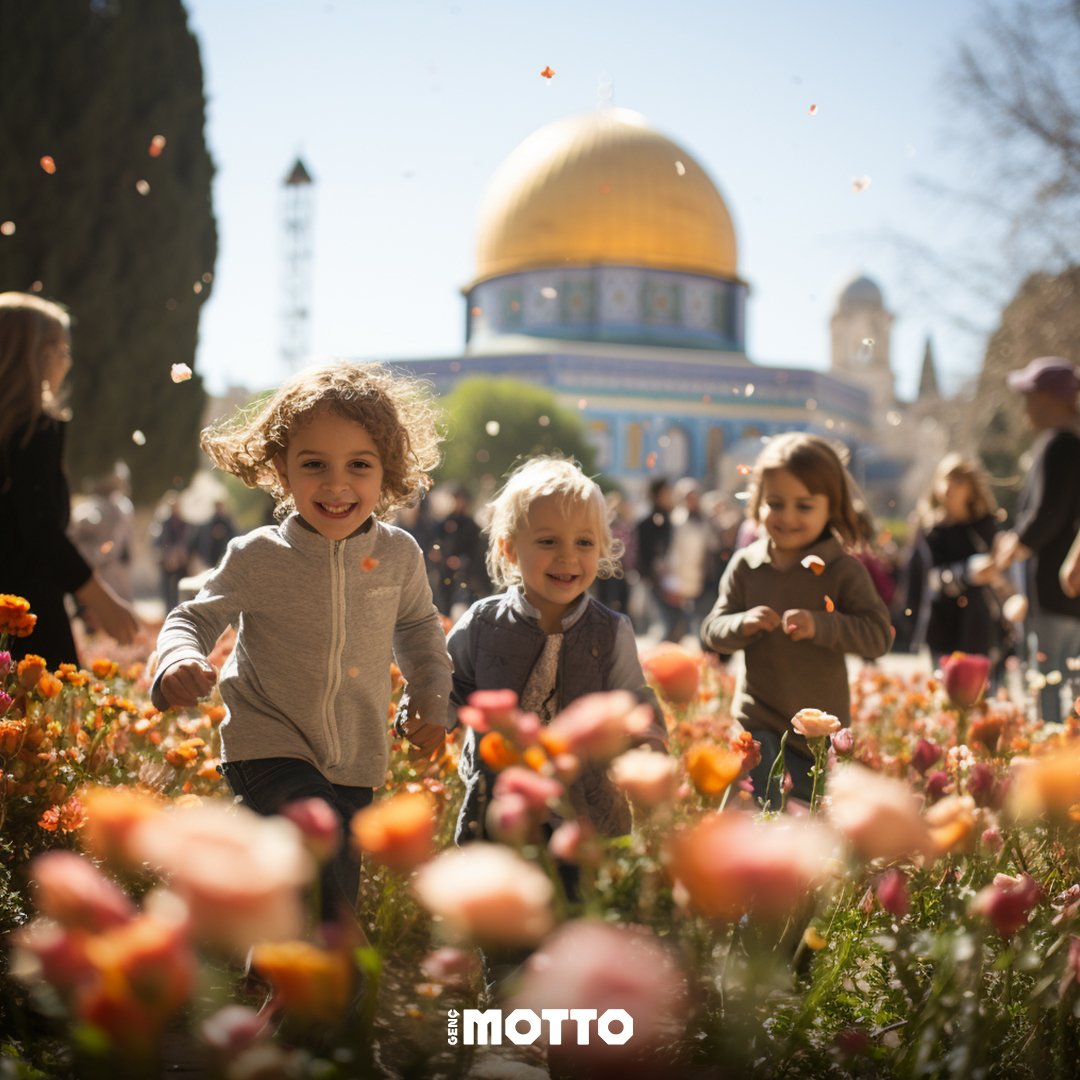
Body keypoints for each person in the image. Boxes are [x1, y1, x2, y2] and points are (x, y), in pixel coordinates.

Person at [150, 361, 453, 922]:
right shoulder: (258, 555)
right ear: (282, 471)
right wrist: (179, 659)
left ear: (387, 473)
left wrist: (432, 697)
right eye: (314, 465)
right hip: (266, 744)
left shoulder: (399, 554)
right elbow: (192, 618)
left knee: (318, 893)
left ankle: (277, 983)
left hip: (357, 758)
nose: (337, 486)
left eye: (359, 466)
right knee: (325, 848)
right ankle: (338, 989)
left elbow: (417, 628)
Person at [434, 455, 667, 846]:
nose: (568, 556)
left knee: (576, 899)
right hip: (497, 803)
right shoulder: (483, 623)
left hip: (586, 812)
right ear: (509, 548)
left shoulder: (611, 631)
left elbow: (633, 702)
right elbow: (448, 684)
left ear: (604, 549)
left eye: (584, 542)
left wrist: (648, 745)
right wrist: (427, 717)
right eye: (547, 541)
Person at [700, 433, 892, 807]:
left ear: (831, 509)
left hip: (819, 734)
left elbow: (878, 636)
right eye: (775, 503)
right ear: (757, 503)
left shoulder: (841, 570)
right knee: (757, 814)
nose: (787, 516)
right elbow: (712, 631)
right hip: (756, 721)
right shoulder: (747, 564)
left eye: (804, 506)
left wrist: (822, 625)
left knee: (807, 831)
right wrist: (741, 624)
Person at [0, 292, 139, 664]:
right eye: (61, 349)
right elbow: (40, 529)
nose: (68, 360)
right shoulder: (33, 429)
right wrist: (99, 598)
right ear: (35, 356)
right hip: (23, 618)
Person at [994, 356, 1080, 724]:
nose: (1025, 406)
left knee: (1050, 681)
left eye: (1030, 396)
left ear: (1049, 398)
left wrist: (1013, 547)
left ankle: (1056, 766)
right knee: (1070, 681)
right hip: (1067, 591)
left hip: (1054, 590)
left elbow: (1048, 513)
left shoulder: (1059, 444)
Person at [900, 454, 1009, 671]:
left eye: (958, 482)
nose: (950, 487)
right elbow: (930, 578)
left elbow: (1001, 570)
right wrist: (969, 572)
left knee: (977, 693)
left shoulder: (984, 526)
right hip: (941, 620)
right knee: (943, 690)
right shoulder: (931, 529)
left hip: (977, 623)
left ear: (971, 489)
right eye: (945, 480)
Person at [70, 462, 137, 604]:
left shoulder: (122, 506)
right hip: (97, 575)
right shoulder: (89, 508)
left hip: (115, 575)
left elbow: (125, 544)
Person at [152, 495, 195, 615]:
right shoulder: (163, 524)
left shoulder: (185, 523)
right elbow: (159, 542)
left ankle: (182, 612)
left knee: (182, 588)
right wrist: (168, 554)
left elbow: (190, 542)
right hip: (167, 561)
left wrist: (182, 553)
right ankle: (168, 613)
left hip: (182, 562)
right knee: (167, 591)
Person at [193, 498, 238, 570]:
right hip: (214, 554)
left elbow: (233, 534)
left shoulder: (227, 520)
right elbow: (206, 538)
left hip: (225, 550)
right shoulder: (211, 521)